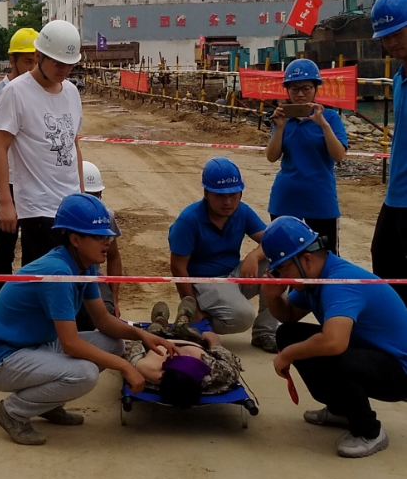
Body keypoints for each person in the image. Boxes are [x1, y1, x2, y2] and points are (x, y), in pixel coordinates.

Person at [0, 193, 178, 445]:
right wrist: (126, 367)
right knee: (84, 374)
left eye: (106, 235)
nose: (107, 242)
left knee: (114, 344)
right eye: (98, 237)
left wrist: (144, 334)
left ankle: (45, 403)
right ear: (75, 239)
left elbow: (103, 320)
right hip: (3, 358)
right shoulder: (59, 273)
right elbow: (71, 344)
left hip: (33, 345)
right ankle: (12, 412)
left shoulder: (85, 265)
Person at [262, 216, 407, 458]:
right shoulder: (314, 278)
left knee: (332, 353)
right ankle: (341, 410)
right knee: (288, 334)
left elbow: (334, 342)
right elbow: (288, 316)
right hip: (376, 356)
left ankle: (369, 431)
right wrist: (272, 296)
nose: (279, 275)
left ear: (306, 259)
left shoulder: (339, 282)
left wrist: (287, 355)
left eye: (281, 269)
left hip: (400, 371)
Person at [0, 19, 85, 267]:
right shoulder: (15, 93)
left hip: (71, 206)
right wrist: (5, 202)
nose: (64, 70)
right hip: (38, 209)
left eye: (69, 65)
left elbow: (74, 146)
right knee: (45, 282)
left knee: (77, 278)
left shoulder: (71, 93)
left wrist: (83, 196)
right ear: (38, 55)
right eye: (57, 63)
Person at [169, 157, 280, 352]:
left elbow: (271, 241)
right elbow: (178, 267)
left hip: (232, 274)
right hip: (204, 282)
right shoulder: (188, 221)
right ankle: (194, 323)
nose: (228, 201)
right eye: (220, 196)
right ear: (206, 193)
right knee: (243, 317)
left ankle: (265, 333)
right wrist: (192, 307)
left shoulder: (242, 212)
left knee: (280, 263)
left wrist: (254, 256)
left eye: (234, 194)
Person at [0, 28, 38, 294]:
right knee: (5, 245)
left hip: (34, 182)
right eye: (27, 61)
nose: (32, 67)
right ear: (12, 61)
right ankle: (2, 303)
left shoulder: (39, 92)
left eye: (36, 60)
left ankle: (27, 301)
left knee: (35, 247)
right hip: (9, 183)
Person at [266, 59, 347, 254]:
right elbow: (271, 156)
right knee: (284, 256)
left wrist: (323, 125)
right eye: (294, 89)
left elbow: (338, 156)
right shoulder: (284, 120)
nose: (300, 94)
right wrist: (279, 127)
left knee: (323, 257)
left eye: (306, 88)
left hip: (320, 200)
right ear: (287, 91)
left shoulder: (330, 118)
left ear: (315, 89)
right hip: (286, 199)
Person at [370, 0, 407, 306]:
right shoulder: (399, 77)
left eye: (398, 34)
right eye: (386, 37)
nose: (392, 43)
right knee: (384, 262)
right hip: (396, 195)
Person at [76, 160, 123, 329]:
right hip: (68, 281)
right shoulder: (66, 219)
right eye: (89, 197)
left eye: (97, 197)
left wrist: (114, 299)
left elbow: (114, 257)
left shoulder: (105, 217)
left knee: (105, 317)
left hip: (94, 281)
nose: (94, 203)